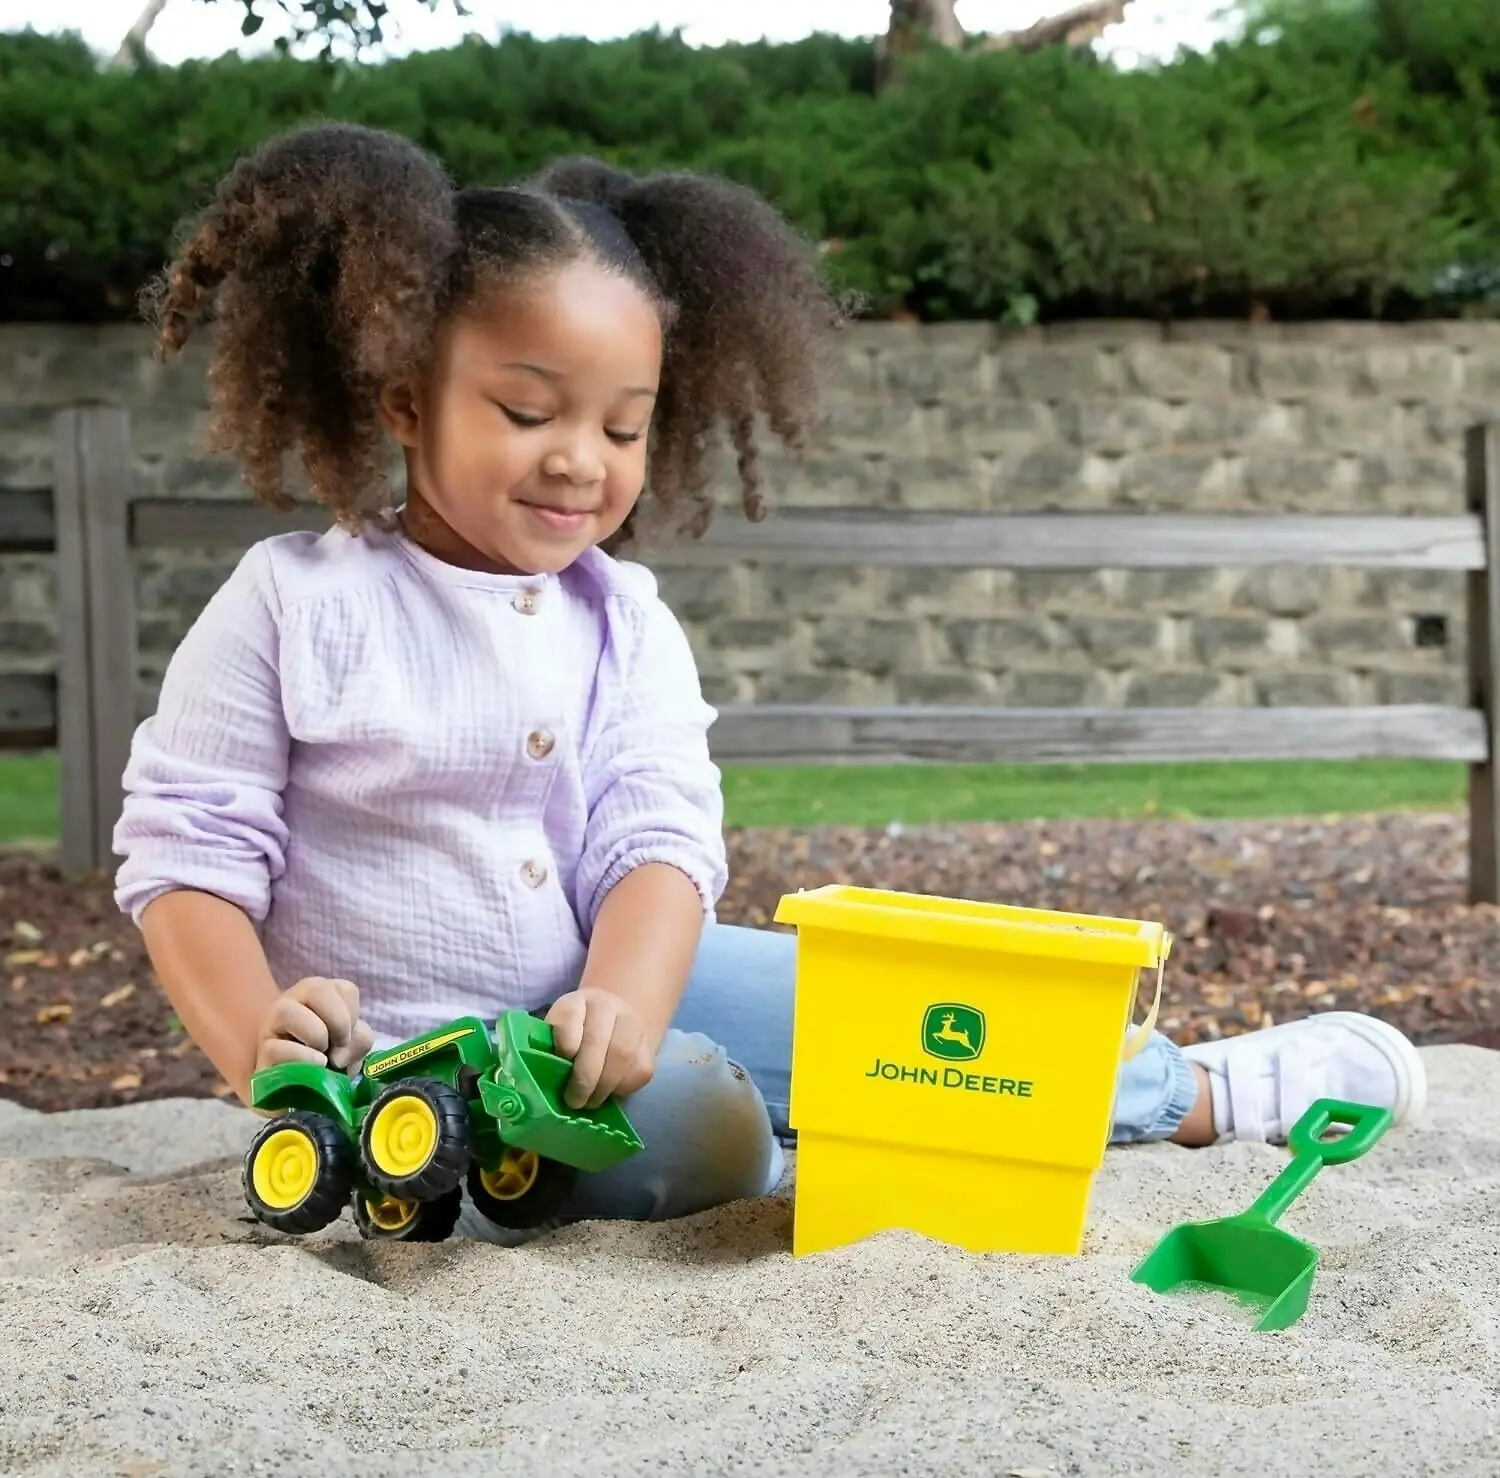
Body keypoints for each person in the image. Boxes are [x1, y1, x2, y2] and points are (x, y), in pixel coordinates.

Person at [114, 121, 1427, 1245]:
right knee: (708, 1134)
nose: (582, 459)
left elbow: (658, 835)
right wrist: (255, 1044)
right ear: (405, 401)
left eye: (622, 426)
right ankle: (728, 1143)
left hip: (598, 987)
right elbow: (189, 852)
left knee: (902, 1008)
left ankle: (1196, 1095)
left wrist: (619, 1000)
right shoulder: (295, 602)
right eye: (529, 412)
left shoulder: (621, 618)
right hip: (392, 1063)